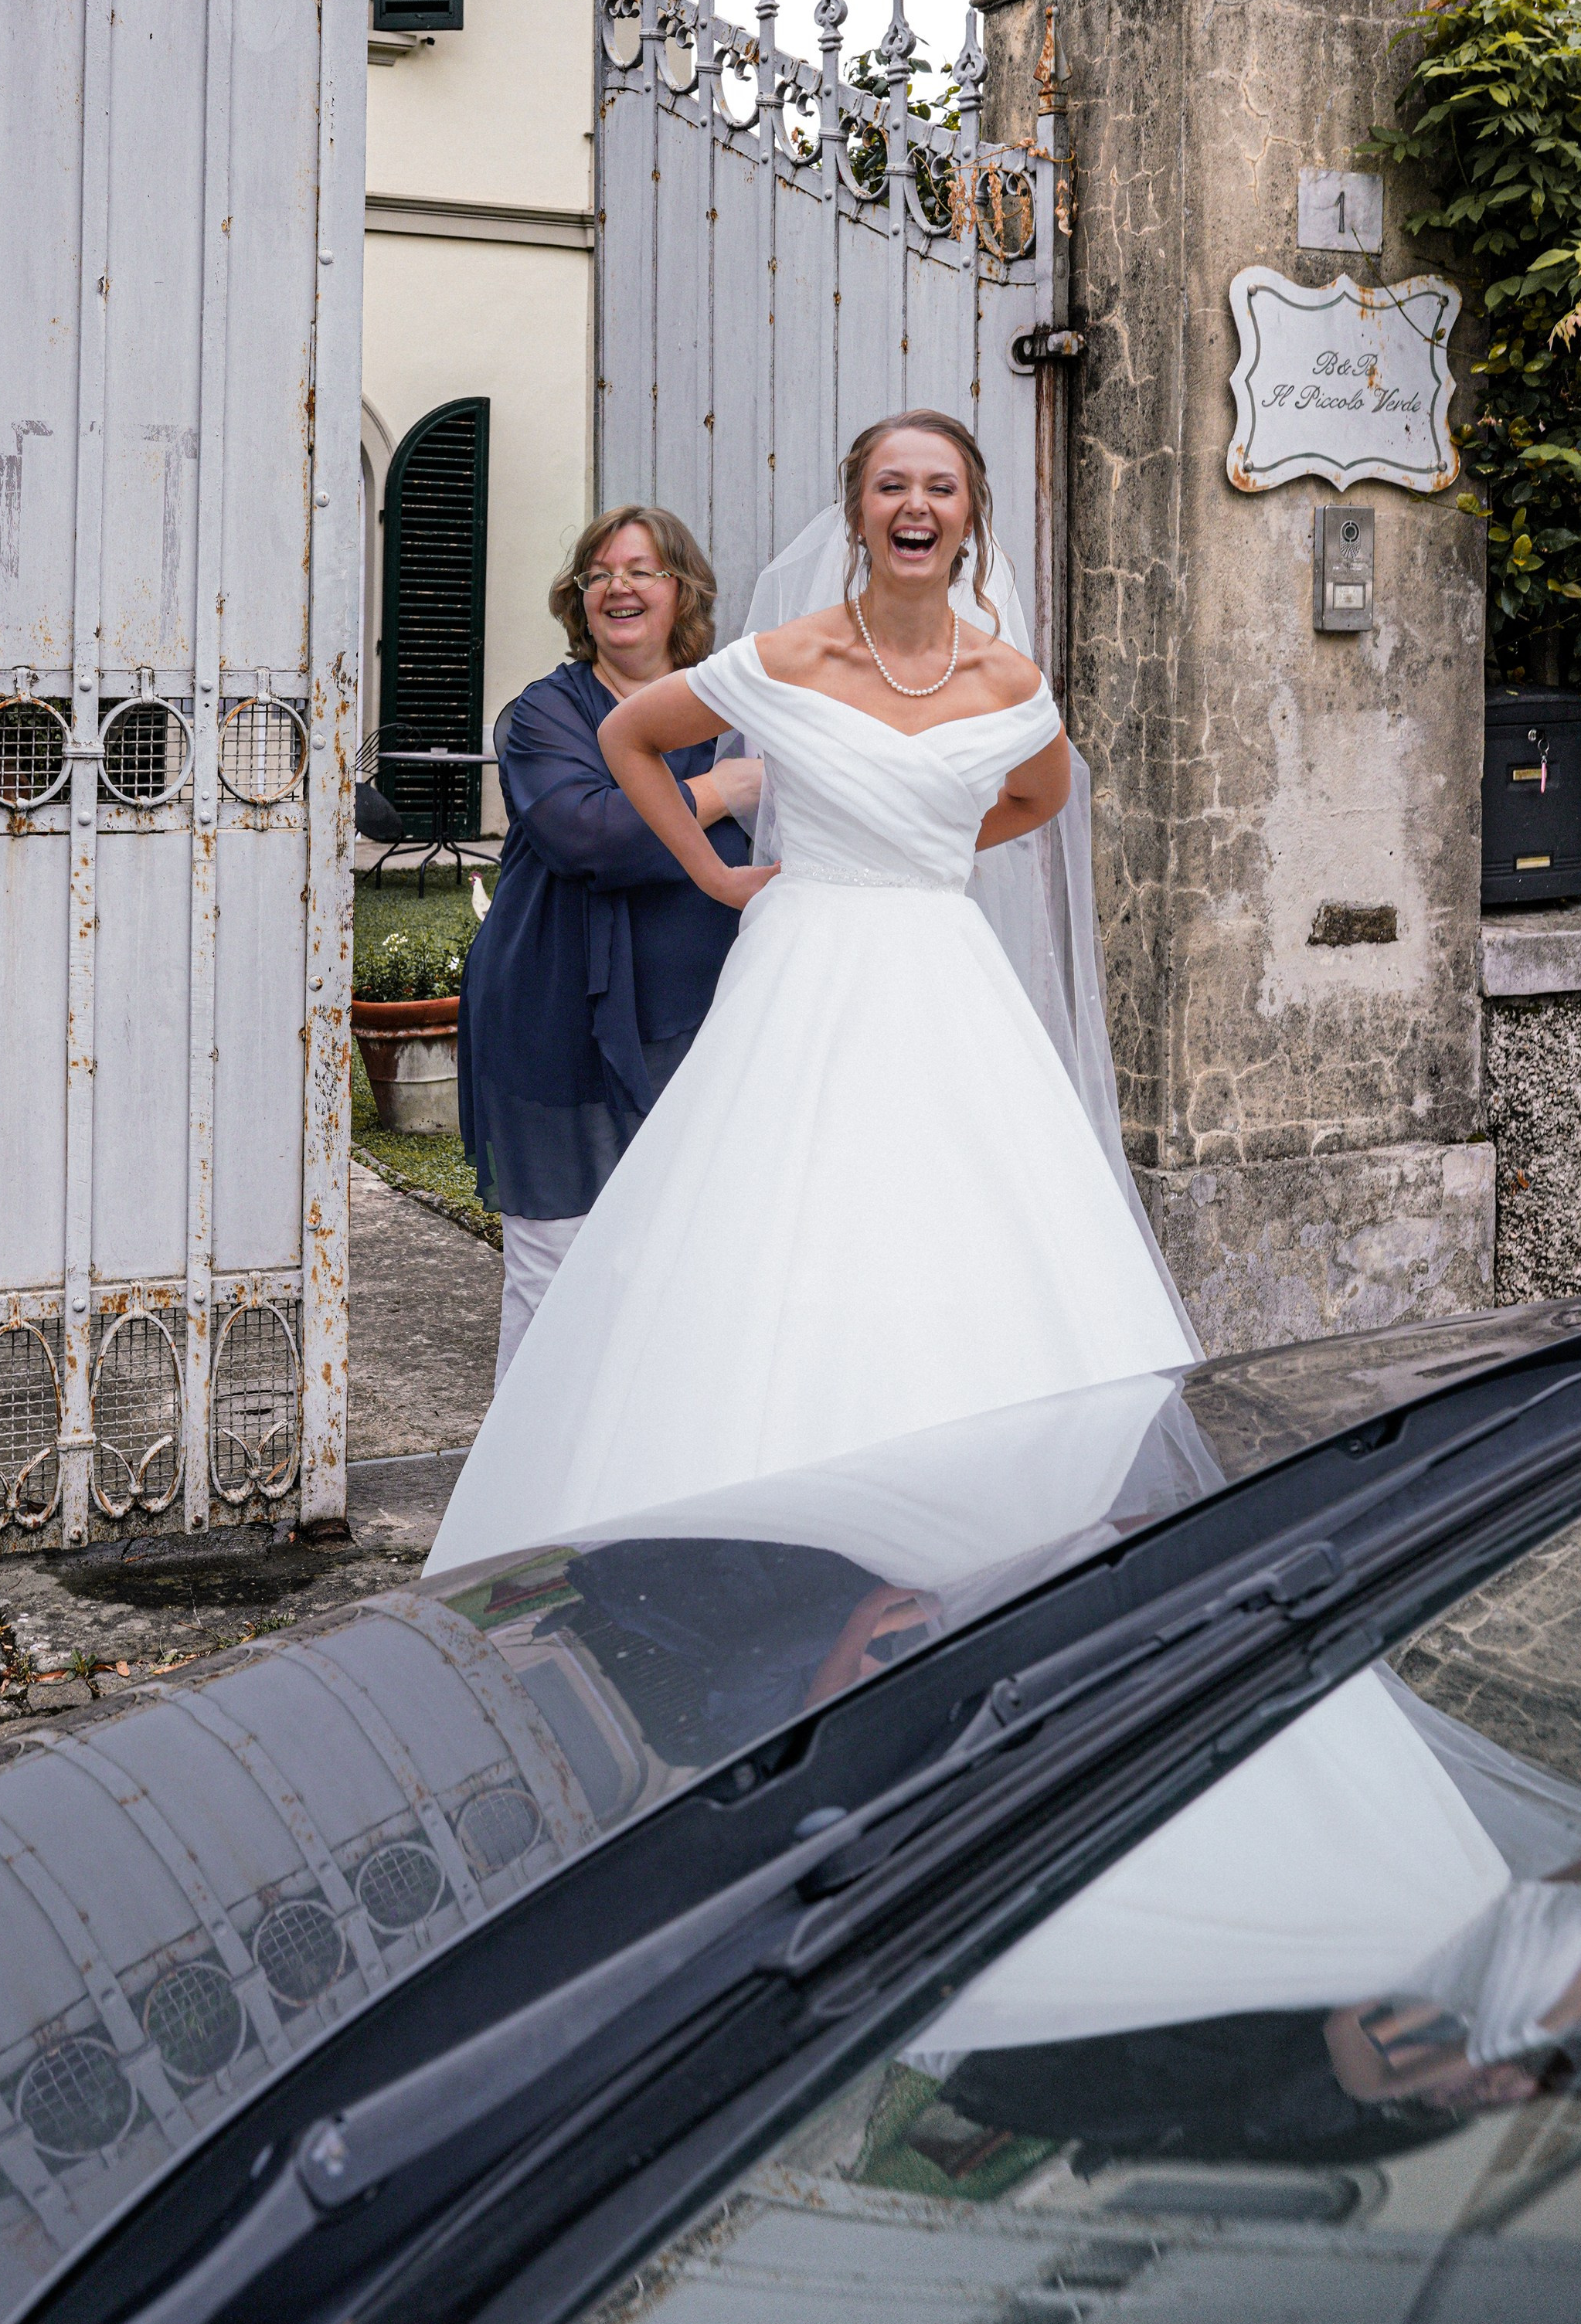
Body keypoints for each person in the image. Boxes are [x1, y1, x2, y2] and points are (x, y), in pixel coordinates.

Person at [427, 409, 1195, 1575]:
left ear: (970, 517)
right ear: (857, 512)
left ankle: (980, 1509)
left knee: (954, 1226)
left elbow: (1042, 797)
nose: (915, 506)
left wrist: (928, 849)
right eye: (891, 485)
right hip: (802, 969)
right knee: (770, 1228)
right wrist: (714, 873)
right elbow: (632, 740)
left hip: (942, 977)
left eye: (939, 487)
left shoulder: (1007, 678)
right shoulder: (789, 657)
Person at [457, 505, 759, 1385]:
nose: (617, 587)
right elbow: (592, 837)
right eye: (599, 574)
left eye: (640, 571)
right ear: (579, 599)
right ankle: (530, 1472)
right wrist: (724, 788)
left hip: (697, 1028)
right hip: (554, 1024)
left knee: (685, 1273)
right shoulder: (544, 716)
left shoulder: (736, 711)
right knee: (557, 1274)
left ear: (682, 592)